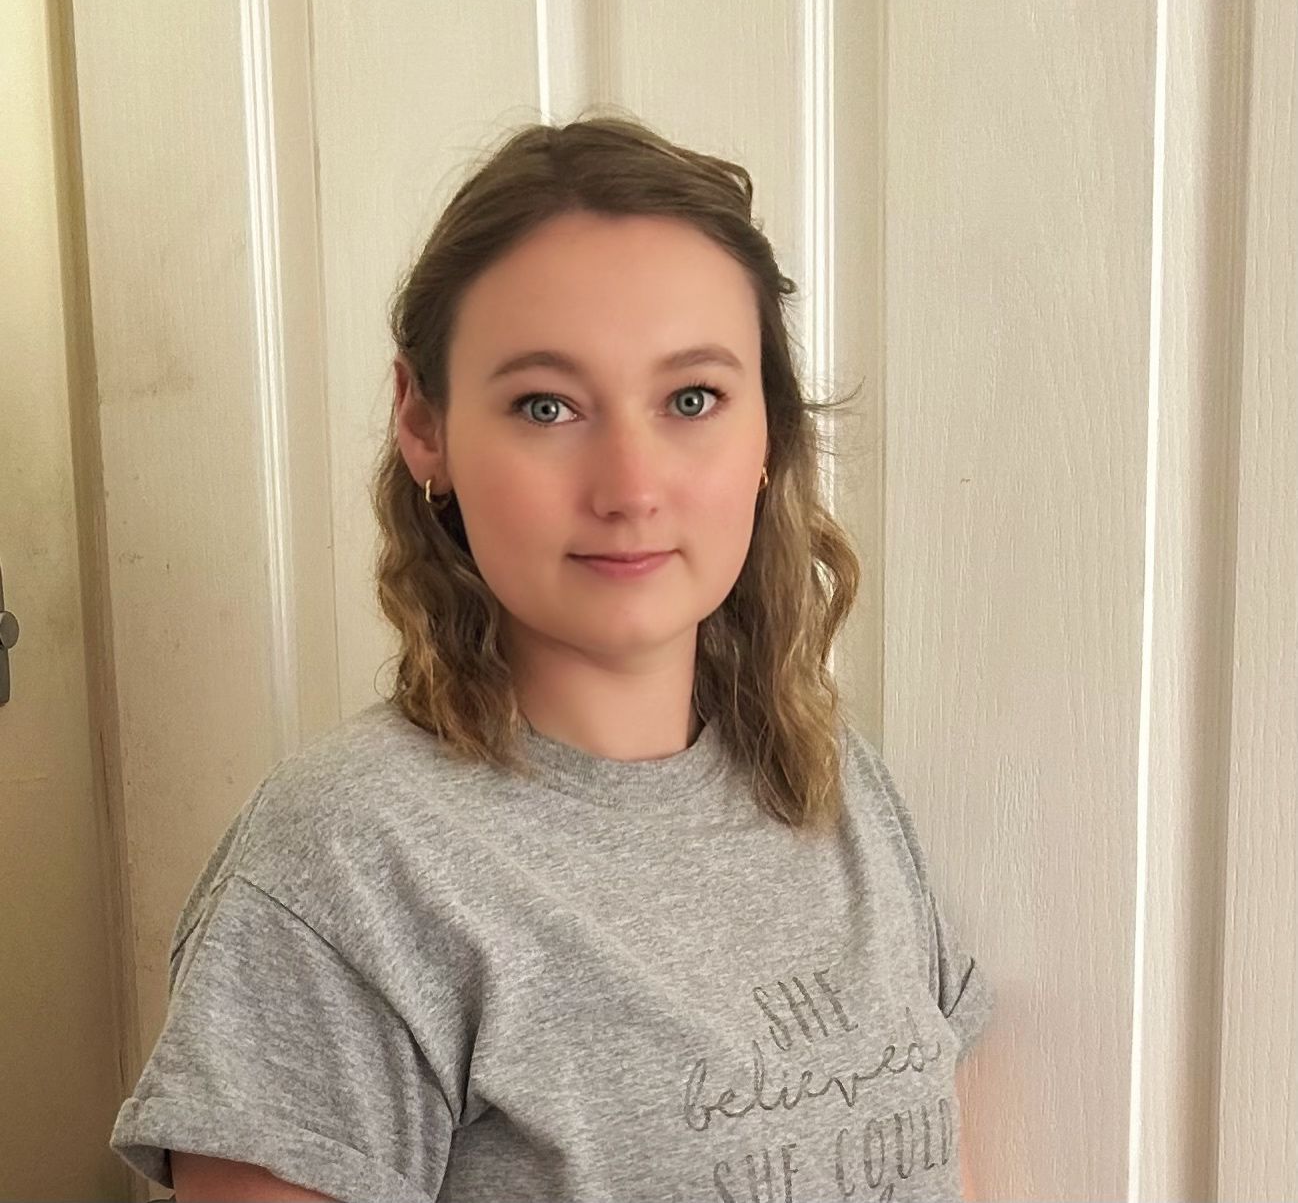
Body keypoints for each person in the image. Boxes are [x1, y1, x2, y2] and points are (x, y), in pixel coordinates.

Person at [109, 113, 994, 1202]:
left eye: (690, 399)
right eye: (546, 404)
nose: (629, 484)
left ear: (764, 431)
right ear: (424, 425)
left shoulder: (840, 790)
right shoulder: (344, 863)